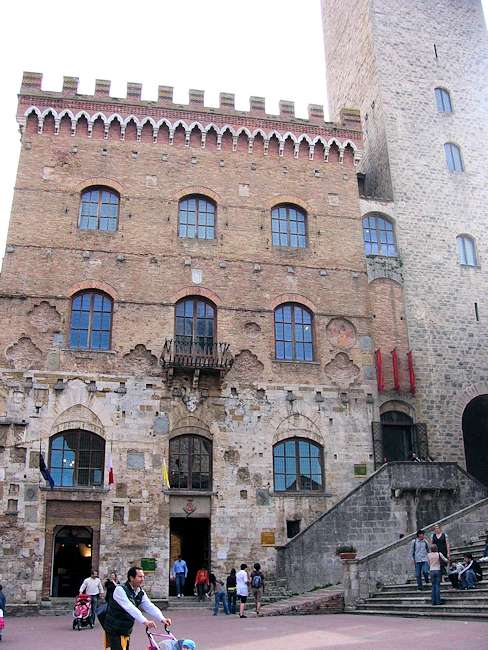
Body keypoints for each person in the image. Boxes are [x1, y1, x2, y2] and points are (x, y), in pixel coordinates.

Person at [104, 566, 171, 650]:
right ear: (131, 578)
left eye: (143, 576)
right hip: (113, 627)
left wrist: (162, 618)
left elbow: (149, 606)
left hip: (126, 628)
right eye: (140, 577)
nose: (142, 579)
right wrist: (145, 621)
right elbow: (130, 608)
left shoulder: (140, 591)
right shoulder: (120, 590)